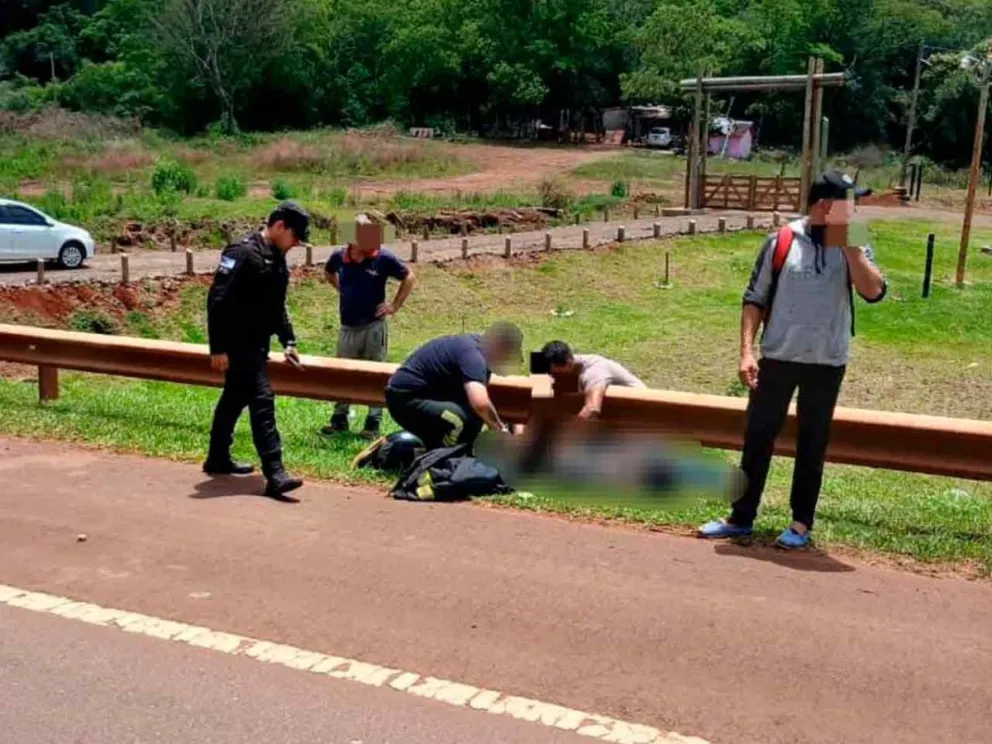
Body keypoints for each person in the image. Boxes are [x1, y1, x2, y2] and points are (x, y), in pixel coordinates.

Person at [698, 170, 886, 549]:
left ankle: (801, 524)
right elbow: (754, 298)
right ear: (823, 205)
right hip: (779, 357)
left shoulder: (855, 238)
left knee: (813, 443)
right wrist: (747, 351)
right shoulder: (781, 240)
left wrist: (849, 243)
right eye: (849, 200)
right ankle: (740, 518)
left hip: (827, 360)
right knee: (757, 437)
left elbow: (873, 292)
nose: (856, 207)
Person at [203, 201, 309, 500]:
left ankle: (217, 458)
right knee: (262, 399)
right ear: (279, 227)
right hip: (237, 344)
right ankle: (275, 473)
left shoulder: (275, 258)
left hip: (257, 343)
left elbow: (276, 306)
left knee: (234, 398)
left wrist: (288, 340)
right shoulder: (241, 253)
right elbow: (217, 301)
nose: (297, 243)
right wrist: (218, 348)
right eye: (295, 236)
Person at [322, 213, 416, 439]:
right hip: (347, 327)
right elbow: (328, 272)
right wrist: (342, 289)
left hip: (374, 327)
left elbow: (409, 276)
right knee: (343, 374)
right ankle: (339, 418)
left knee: (376, 374)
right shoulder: (338, 257)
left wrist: (394, 306)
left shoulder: (382, 258)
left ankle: (372, 423)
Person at [384, 321, 523, 451]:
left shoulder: (477, 349)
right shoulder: (474, 357)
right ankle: (444, 460)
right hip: (406, 399)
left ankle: (447, 453)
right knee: (462, 420)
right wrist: (500, 430)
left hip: (420, 396)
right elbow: (480, 404)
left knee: (473, 418)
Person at [539, 340, 646, 419]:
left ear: (569, 363)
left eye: (555, 373)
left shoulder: (593, 372)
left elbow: (592, 409)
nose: (552, 375)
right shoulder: (560, 363)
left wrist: (570, 432)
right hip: (609, 407)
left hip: (637, 410)